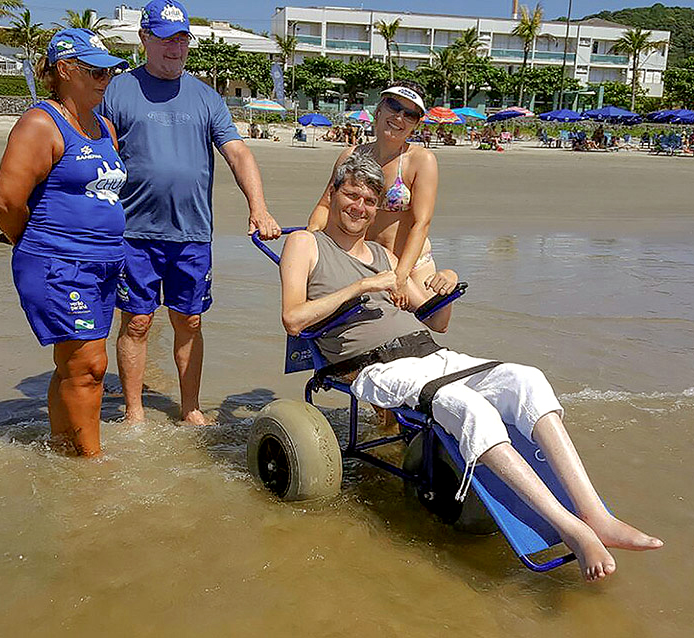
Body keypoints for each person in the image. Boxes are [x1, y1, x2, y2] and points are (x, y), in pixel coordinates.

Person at [278, 153, 663, 582]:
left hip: (428, 354)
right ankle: (569, 527)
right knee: (470, 408)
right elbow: (293, 319)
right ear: (333, 194)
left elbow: (436, 321)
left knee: (527, 378)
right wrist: (364, 286)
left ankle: (594, 512)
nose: (359, 207)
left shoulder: (386, 257)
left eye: (369, 201)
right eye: (351, 195)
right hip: (372, 366)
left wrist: (445, 278)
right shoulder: (306, 244)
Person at [98, 0, 282, 426]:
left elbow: (237, 152)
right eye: (165, 38)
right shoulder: (116, 91)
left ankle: (191, 408)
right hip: (132, 232)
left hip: (192, 232)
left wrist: (259, 207)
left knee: (191, 320)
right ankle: (134, 411)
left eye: (181, 38)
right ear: (145, 38)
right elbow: (91, 152)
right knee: (138, 322)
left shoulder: (206, 96)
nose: (175, 48)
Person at [0, 29, 129, 456]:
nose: (105, 78)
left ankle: (63, 449)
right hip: (59, 262)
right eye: (95, 70)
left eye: (111, 71)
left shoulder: (102, 124)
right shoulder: (39, 123)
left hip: (103, 264)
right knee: (91, 367)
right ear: (65, 70)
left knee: (74, 366)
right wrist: (30, 240)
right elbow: (6, 200)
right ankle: (91, 465)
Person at [306, 81, 452, 307]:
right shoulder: (351, 155)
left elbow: (422, 223)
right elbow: (326, 205)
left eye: (410, 114)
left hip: (408, 263)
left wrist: (401, 276)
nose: (399, 118)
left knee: (432, 320)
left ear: (416, 123)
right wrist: (310, 242)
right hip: (365, 259)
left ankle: (447, 277)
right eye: (394, 106)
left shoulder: (421, 160)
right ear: (379, 109)